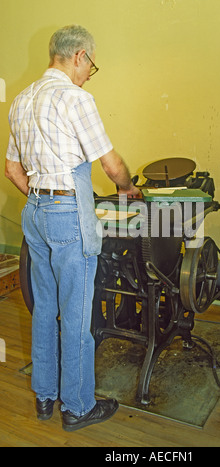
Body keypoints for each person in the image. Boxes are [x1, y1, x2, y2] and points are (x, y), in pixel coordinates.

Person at [5, 25, 140, 432]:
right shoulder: (75, 98)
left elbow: (12, 168)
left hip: (34, 214)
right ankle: (78, 407)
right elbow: (110, 162)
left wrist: (43, 197)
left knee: (44, 309)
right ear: (79, 56)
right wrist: (128, 187)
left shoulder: (22, 99)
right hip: (66, 216)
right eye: (90, 66)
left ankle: (45, 396)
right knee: (78, 317)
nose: (88, 74)